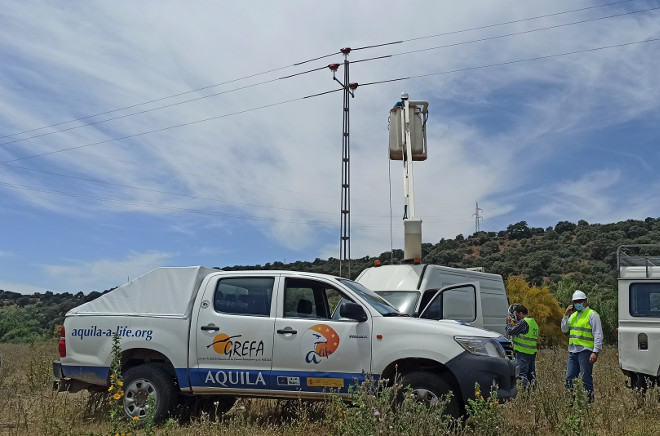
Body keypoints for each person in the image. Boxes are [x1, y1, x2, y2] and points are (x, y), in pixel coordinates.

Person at [561, 290, 603, 402]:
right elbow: (564, 329)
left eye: (580, 301)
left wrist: (595, 352)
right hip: (573, 352)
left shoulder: (592, 315)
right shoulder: (573, 316)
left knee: (586, 378)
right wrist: (565, 315)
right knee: (569, 378)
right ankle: (570, 402)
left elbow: (598, 334)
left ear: (585, 301)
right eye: (575, 302)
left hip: (586, 351)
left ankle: (589, 402)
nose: (578, 303)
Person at [506, 304, 538, 387]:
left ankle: (523, 396)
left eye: (516, 314)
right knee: (531, 376)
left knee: (522, 376)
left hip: (522, 353)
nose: (515, 317)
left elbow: (510, 331)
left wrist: (508, 323)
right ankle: (532, 393)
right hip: (531, 354)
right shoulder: (533, 322)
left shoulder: (523, 322)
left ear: (520, 313)